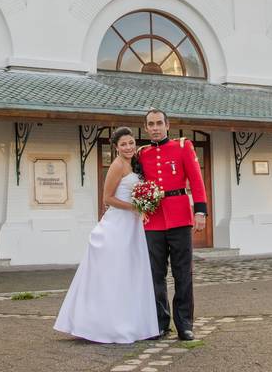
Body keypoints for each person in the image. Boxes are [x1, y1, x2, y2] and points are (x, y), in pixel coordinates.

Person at [54, 127, 159, 343]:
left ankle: (134, 324)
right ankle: (106, 325)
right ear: (116, 147)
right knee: (115, 274)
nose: (128, 147)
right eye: (123, 144)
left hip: (133, 227)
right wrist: (134, 207)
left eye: (131, 143)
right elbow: (107, 198)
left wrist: (144, 204)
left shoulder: (136, 163)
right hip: (117, 226)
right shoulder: (117, 165)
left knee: (132, 274)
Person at [138, 108, 208, 341]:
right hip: (153, 220)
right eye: (151, 124)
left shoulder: (182, 146)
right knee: (155, 274)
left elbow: (196, 179)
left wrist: (200, 211)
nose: (155, 128)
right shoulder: (142, 154)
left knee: (182, 273)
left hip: (179, 217)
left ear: (167, 125)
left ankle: (185, 324)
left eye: (159, 123)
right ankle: (160, 322)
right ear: (146, 128)